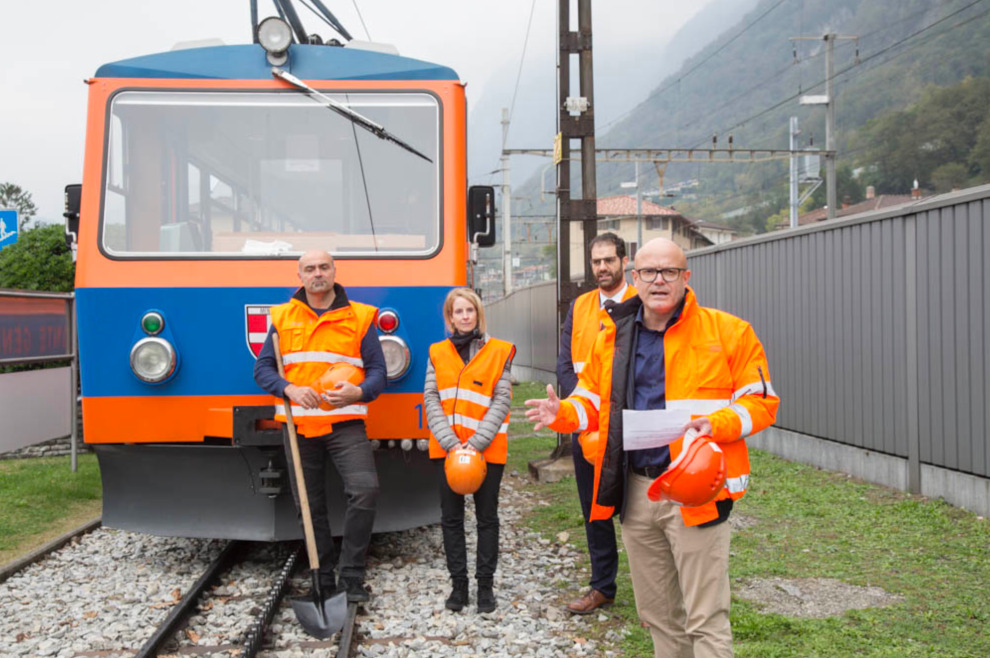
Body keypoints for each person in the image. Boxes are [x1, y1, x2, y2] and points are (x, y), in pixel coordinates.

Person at [526, 238, 779, 657]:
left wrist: (715, 424)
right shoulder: (612, 337)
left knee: (705, 619)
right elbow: (592, 401)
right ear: (634, 277)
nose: (658, 280)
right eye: (649, 272)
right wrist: (562, 414)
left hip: (697, 491)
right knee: (659, 616)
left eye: (669, 272)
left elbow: (762, 402)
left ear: (686, 278)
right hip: (638, 493)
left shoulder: (729, 332)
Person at [253, 249, 386, 603]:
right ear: (300, 276)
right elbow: (263, 370)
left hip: (346, 424)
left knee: (365, 491)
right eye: (309, 269)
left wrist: (360, 391)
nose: (317, 274)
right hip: (299, 428)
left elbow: (378, 372)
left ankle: (352, 576)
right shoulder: (282, 317)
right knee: (309, 506)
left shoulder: (359, 317)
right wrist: (289, 388)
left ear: (334, 271)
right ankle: (323, 577)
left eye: (323, 267)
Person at [555, 232, 637, 615]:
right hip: (589, 429)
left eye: (608, 260)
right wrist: (582, 417)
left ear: (624, 261)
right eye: (596, 262)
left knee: (639, 509)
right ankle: (603, 586)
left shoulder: (642, 305)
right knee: (595, 510)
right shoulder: (581, 307)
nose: (602, 267)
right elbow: (566, 367)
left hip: (630, 427)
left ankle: (657, 588)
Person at [423, 288, 515, 614]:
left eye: (469, 311)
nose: (464, 316)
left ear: (478, 314)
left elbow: (502, 400)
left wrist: (475, 444)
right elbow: (431, 398)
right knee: (451, 519)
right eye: (458, 312)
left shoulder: (499, 351)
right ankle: (458, 587)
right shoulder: (436, 352)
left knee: (487, 518)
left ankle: (485, 587)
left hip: (487, 450)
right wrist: (451, 443)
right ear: (450, 318)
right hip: (446, 450)